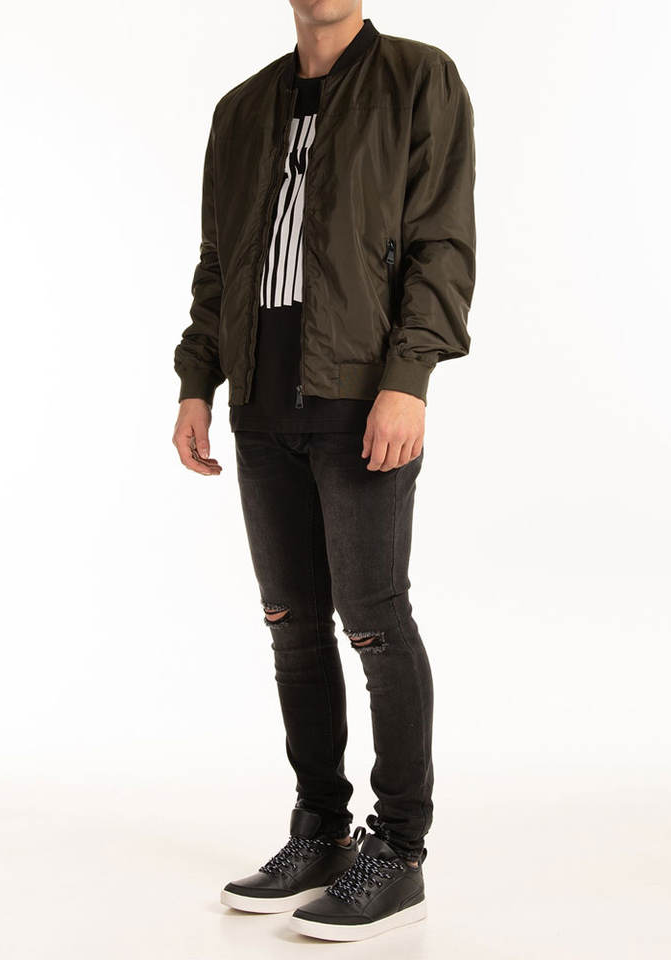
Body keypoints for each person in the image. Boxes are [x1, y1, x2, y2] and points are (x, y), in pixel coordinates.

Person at [171, 2, 475, 942]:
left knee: (374, 621)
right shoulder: (242, 109)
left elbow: (440, 243)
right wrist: (197, 380)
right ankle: (320, 830)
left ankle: (401, 850)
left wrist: (408, 380)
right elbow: (219, 263)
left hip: (360, 396)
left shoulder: (419, 78)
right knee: (293, 629)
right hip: (262, 400)